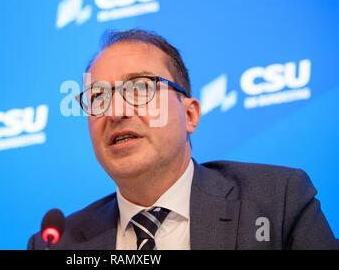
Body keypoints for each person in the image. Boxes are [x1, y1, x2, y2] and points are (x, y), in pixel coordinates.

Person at [28, 29, 338, 250]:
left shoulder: (276, 203)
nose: (116, 111)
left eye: (139, 89)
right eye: (98, 97)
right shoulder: (55, 243)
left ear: (190, 115)